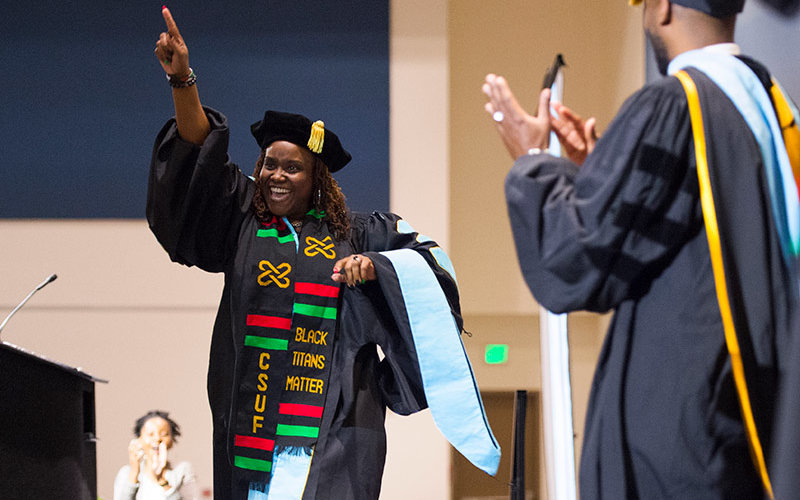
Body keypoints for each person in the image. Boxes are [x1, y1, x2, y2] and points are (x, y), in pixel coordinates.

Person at [148, 6, 499, 500]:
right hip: (253, 429)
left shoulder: (358, 232)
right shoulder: (242, 220)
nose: (275, 176)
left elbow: (432, 263)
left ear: (316, 180)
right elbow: (198, 154)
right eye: (269, 164)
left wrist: (378, 267)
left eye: (292, 167)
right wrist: (183, 80)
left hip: (334, 433)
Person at [482, 0, 799, 498]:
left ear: (664, 7)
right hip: (744, 431)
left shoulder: (674, 104)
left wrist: (534, 161)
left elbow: (573, 256)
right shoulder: (772, 107)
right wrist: (600, 176)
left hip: (683, 444)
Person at [113, 410, 199, 500]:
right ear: (139, 439)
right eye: (151, 434)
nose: (157, 438)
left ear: (172, 440)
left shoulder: (183, 469)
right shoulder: (126, 472)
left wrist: (162, 480)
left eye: (164, 434)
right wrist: (134, 472)